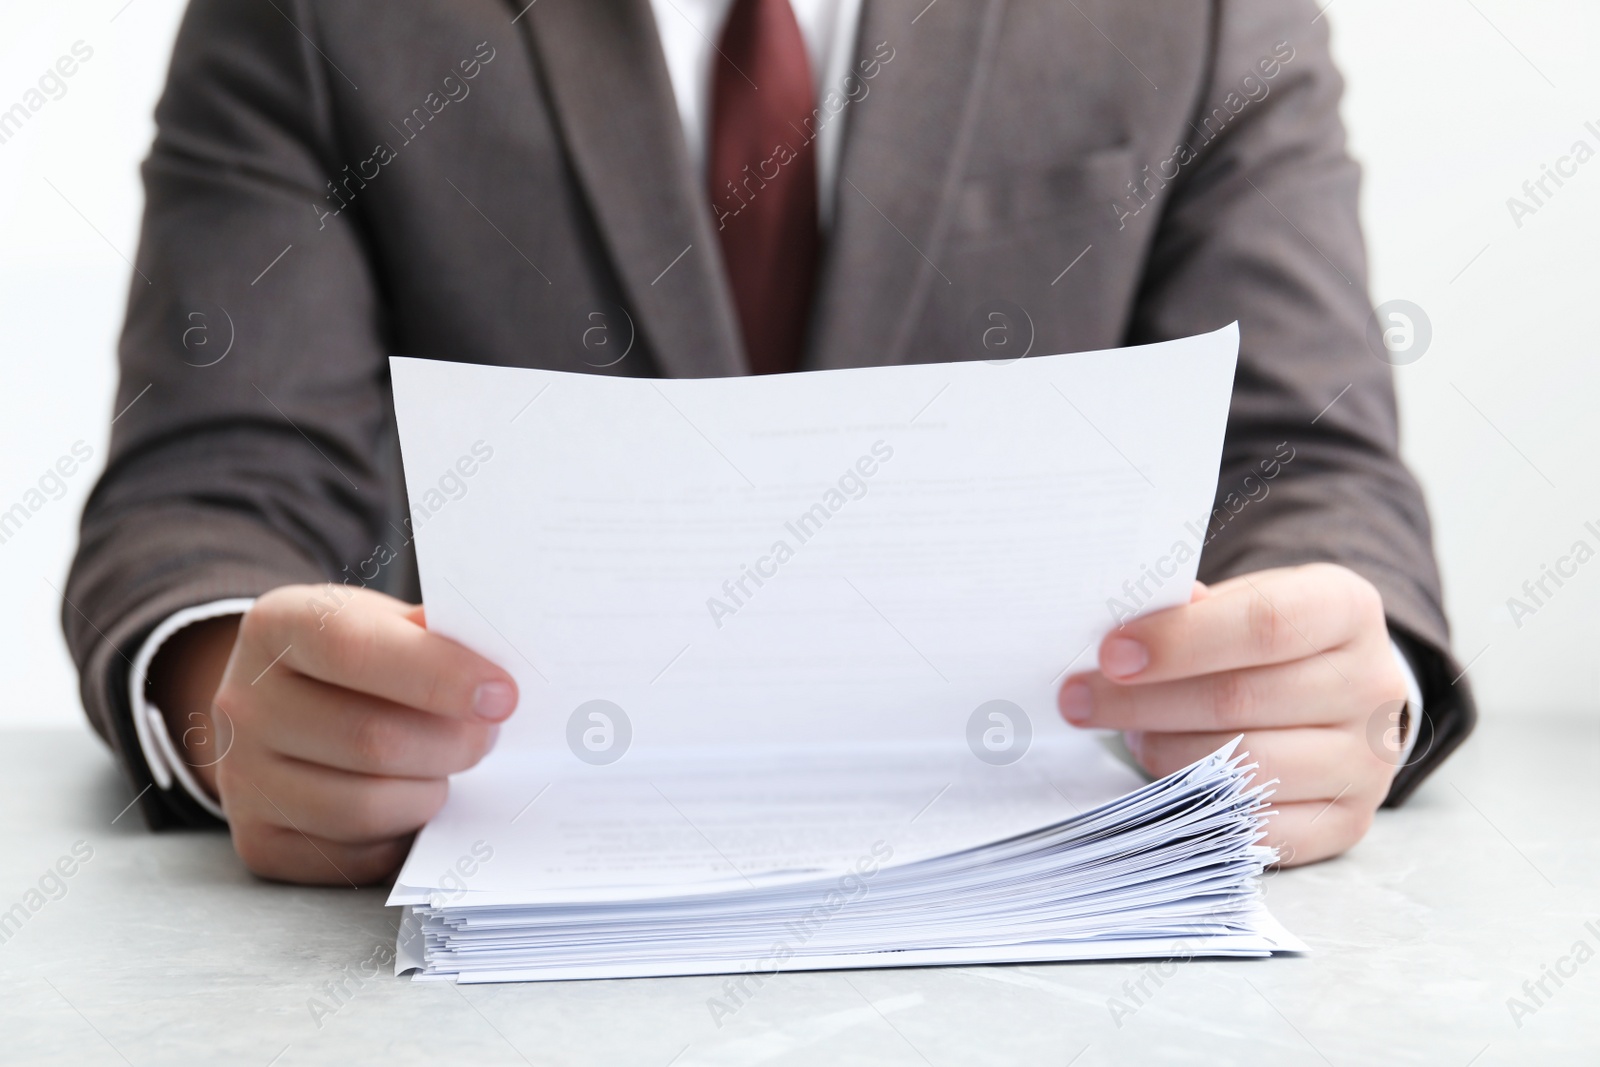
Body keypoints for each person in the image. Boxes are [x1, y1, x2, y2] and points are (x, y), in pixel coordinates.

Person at [64, 0, 1473, 886]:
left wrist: (1341, 679)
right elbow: (208, 487)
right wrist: (232, 707)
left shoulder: (1204, 15)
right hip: (502, 923)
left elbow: (1311, 459)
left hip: (1050, 910)